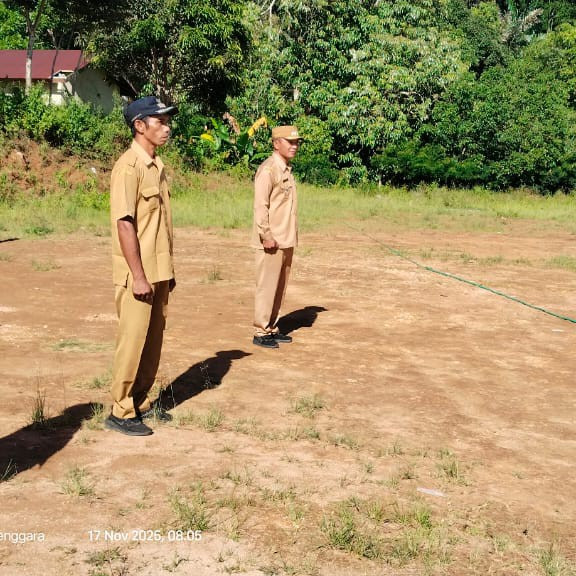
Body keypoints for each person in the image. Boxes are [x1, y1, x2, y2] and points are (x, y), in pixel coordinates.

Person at [105, 96, 178, 436]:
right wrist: (138, 276)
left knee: (152, 342)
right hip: (138, 273)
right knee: (133, 341)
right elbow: (125, 224)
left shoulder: (156, 166)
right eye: (160, 121)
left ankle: (140, 401)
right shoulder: (128, 168)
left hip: (159, 270)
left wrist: (168, 271)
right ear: (139, 125)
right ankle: (120, 410)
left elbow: (161, 225)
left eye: (167, 121)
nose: (167, 128)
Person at [251, 125, 303, 349]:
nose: (294, 146)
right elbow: (260, 206)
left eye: (296, 142)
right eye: (289, 142)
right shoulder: (268, 170)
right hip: (271, 241)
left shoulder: (286, 170)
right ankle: (260, 330)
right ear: (275, 143)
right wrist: (266, 234)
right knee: (267, 286)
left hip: (286, 238)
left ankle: (272, 327)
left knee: (280, 287)